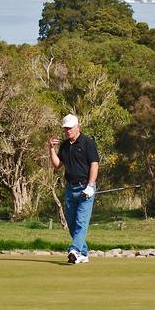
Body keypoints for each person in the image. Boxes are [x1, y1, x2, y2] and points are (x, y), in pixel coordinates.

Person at [48, 113, 99, 264]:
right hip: (70, 189)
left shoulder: (87, 143)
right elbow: (57, 165)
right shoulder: (64, 146)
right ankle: (83, 253)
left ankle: (74, 250)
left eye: (70, 128)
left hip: (85, 187)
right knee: (71, 224)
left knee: (81, 222)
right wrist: (51, 148)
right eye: (65, 128)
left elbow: (94, 164)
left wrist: (90, 186)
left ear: (78, 127)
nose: (67, 131)